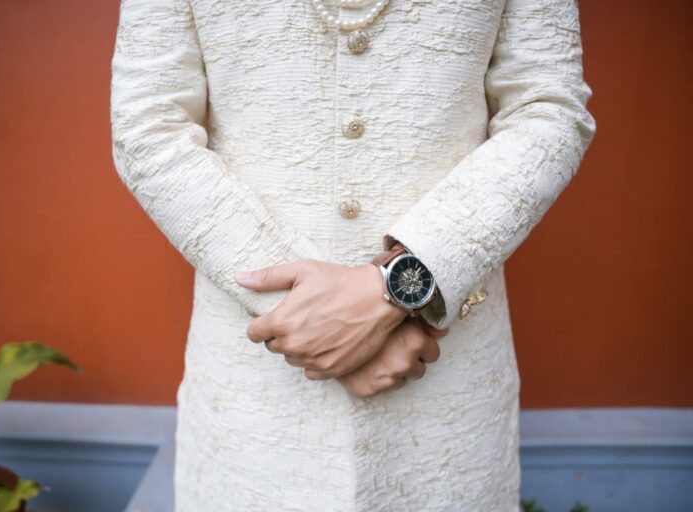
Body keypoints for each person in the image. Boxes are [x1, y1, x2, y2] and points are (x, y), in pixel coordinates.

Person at [109, 0, 596, 510]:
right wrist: (307, 314)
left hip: (447, 392)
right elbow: (148, 128)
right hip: (252, 396)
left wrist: (402, 282)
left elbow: (549, 110)